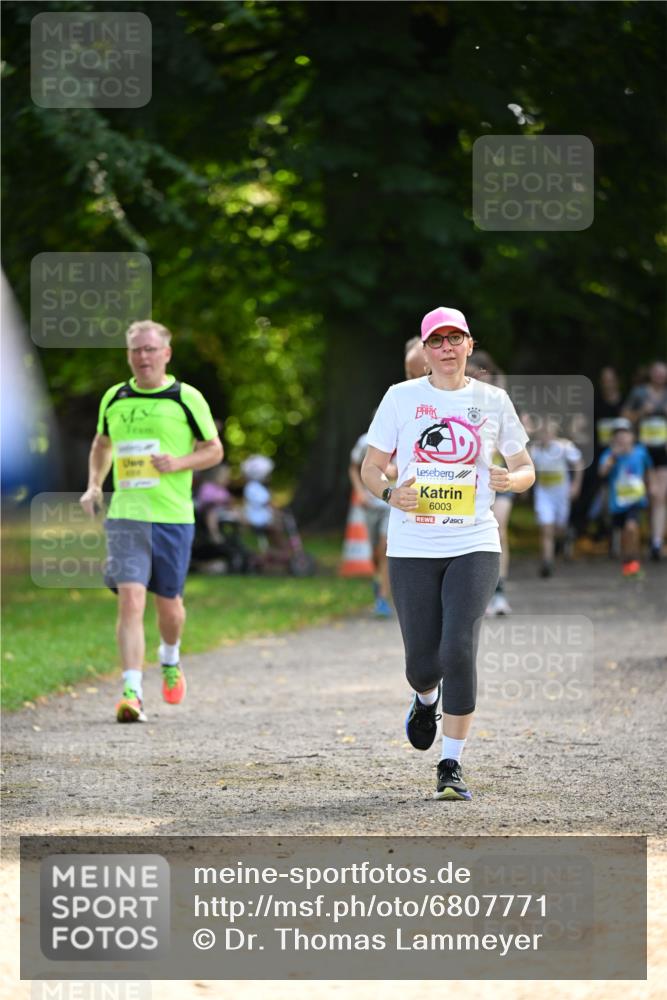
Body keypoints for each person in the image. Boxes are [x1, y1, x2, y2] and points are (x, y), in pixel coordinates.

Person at [361, 306, 534, 801]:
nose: (446, 348)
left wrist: (511, 480)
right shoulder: (400, 398)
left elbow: (526, 468)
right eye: (436, 341)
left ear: (469, 345)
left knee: (458, 647)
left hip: (473, 541)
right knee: (422, 663)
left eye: (455, 338)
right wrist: (390, 493)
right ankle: (424, 698)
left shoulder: (492, 400)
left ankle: (451, 764)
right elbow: (371, 468)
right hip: (412, 544)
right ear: (424, 350)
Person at [79, 321, 223, 723]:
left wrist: (178, 462)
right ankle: (132, 692)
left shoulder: (185, 398)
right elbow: (101, 444)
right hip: (127, 515)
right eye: (135, 350)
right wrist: (94, 485)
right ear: (128, 355)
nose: (142, 356)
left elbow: (213, 450)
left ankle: (170, 657)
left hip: (172, 517)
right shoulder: (115, 397)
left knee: (170, 608)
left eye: (149, 349)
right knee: (130, 599)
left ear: (166, 354)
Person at [466, 350, 512, 614]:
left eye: (481, 374)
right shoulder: (460, 402)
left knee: (499, 529)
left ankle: (500, 592)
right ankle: (479, 592)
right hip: (469, 481)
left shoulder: (500, 402)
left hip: (498, 477)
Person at [621, 360, 667, 560]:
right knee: (648, 495)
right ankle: (648, 537)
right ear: (651, 374)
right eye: (656, 372)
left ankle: (656, 542)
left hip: (663, 450)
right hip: (642, 450)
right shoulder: (639, 393)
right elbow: (624, 417)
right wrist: (641, 412)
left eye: (663, 372)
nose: (659, 376)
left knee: (660, 495)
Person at [598, 418, 654, 577]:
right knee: (623, 533)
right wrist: (613, 458)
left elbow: (648, 470)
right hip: (617, 502)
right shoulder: (609, 454)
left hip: (636, 500)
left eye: (625, 434)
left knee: (631, 527)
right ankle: (628, 560)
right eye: (618, 435)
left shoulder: (640, 452)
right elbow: (602, 472)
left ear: (632, 436)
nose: (622, 438)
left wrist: (651, 487)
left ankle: (633, 560)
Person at [529, 418, 583, 577]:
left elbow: (579, 464)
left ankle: (567, 535)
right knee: (546, 528)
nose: (544, 436)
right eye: (541, 433)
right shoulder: (535, 451)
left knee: (559, 528)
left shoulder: (565, 447)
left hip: (561, 493)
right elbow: (529, 470)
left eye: (547, 432)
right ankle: (547, 562)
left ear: (554, 433)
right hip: (543, 493)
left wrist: (576, 485)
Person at [349, 422, 393, 617]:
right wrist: (359, 491)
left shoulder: (408, 437)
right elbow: (353, 467)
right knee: (376, 553)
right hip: (371, 504)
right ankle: (379, 583)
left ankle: (383, 598)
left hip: (393, 506)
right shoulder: (365, 441)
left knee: (384, 548)